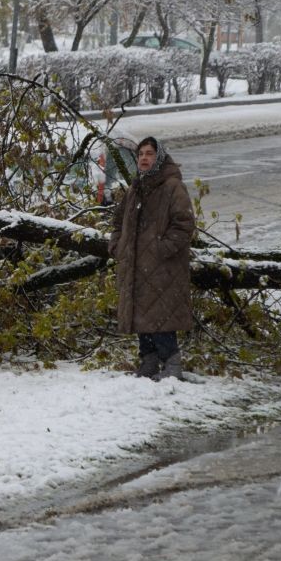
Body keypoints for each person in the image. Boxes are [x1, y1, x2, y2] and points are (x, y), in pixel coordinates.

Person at [108, 136, 196, 381]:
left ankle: (171, 363)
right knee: (142, 313)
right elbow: (117, 221)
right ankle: (149, 360)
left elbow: (184, 223)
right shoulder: (136, 187)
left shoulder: (172, 187)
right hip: (137, 265)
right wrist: (117, 245)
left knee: (161, 315)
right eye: (140, 154)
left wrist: (162, 249)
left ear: (159, 157)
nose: (144, 158)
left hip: (163, 268)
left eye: (149, 153)